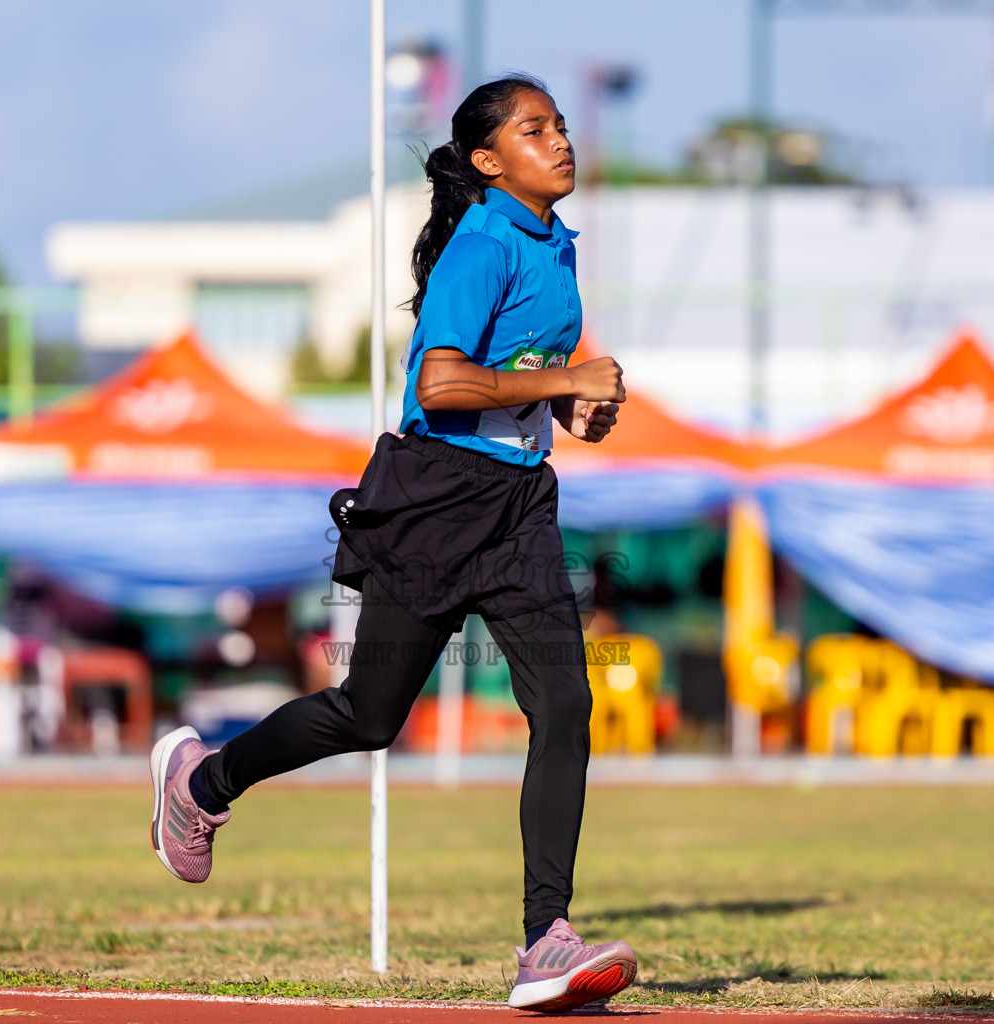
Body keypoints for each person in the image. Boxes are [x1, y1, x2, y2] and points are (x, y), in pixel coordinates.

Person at [147, 74, 636, 1014]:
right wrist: (563, 375)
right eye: (536, 130)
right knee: (368, 717)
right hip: (436, 500)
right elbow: (444, 385)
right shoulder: (484, 240)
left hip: (521, 502)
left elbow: (519, 382)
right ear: (491, 161)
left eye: (563, 126)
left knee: (566, 705)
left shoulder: (556, 244)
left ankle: (547, 941)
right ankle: (202, 784)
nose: (561, 141)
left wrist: (574, 405)